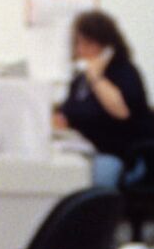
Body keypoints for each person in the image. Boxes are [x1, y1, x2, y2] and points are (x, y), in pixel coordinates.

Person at [52, 10, 149, 189]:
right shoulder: (80, 79)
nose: (80, 50)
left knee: (94, 177)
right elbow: (67, 112)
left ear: (108, 45)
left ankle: (98, 207)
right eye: (78, 43)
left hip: (116, 156)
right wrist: (60, 119)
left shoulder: (125, 73)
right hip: (83, 151)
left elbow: (122, 112)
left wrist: (96, 77)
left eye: (88, 43)